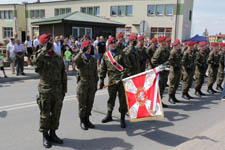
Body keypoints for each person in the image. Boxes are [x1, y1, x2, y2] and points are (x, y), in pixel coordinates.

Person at [32, 34, 67, 148]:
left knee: (56, 114)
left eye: (51, 41)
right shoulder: (41, 56)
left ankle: (53, 134)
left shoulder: (57, 57)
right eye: (48, 42)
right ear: (43, 43)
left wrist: (64, 90)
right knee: (45, 115)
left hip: (57, 90)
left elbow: (63, 74)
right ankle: (45, 136)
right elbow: (34, 65)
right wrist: (43, 51)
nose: (51, 43)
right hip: (46, 90)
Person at [99, 37, 130, 128]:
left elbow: (128, 67)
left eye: (114, 43)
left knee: (122, 100)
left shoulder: (122, 54)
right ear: (108, 45)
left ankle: (122, 118)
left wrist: (123, 76)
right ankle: (109, 115)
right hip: (111, 81)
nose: (113, 44)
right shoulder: (106, 55)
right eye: (111, 43)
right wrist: (101, 80)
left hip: (121, 82)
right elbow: (103, 69)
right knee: (111, 99)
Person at [74, 40, 98, 130]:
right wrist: (81, 51)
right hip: (83, 84)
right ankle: (82, 121)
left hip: (91, 84)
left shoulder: (93, 59)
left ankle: (87, 119)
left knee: (90, 103)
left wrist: (96, 84)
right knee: (82, 104)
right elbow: (75, 60)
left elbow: (95, 73)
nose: (89, 49)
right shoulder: (80, 58)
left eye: (90, 47)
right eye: (87, 47)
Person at [151, 36, 170, 107]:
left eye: (165, 41)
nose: (165, 43)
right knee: (158, 89)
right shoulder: (159, 50)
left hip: (165, 72)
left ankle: (159, 101)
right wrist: (160, 67)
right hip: (160, 73)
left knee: (162, 88)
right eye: (163, 42)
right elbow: (153, 61)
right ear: (160, 43)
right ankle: (155, 103)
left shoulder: (166, 50)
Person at [168, 40, 182, 104]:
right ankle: (170, 97)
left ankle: (173, 96)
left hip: (178, 70)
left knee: (176, 84)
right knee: (172, 84)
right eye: (179, 44)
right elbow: (170, 61)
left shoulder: (179, 51)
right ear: (176, 45)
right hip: (173, 70)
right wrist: (175, 65)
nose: (180, 46)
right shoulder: (173, 52)